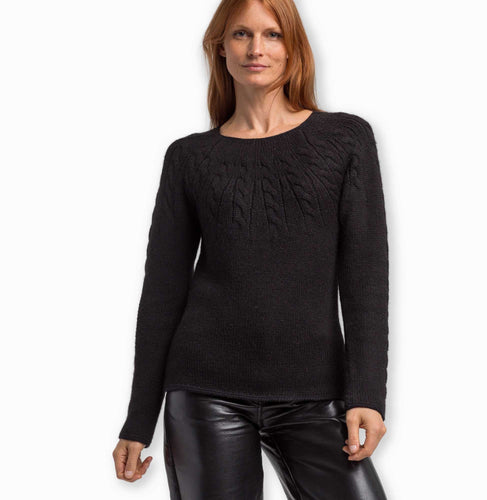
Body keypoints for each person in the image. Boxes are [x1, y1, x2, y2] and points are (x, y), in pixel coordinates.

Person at [112, 0, 390, 498]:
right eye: (241, 34)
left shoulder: (345, 139)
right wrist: (138, 420)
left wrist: (366, 393)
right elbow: (162, 294)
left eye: (272, 34)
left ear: (293, 48)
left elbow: (365, 275)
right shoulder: (189, 158)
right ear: (220, 48)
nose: (256, 48)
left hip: (316, 395)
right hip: (204, 391)